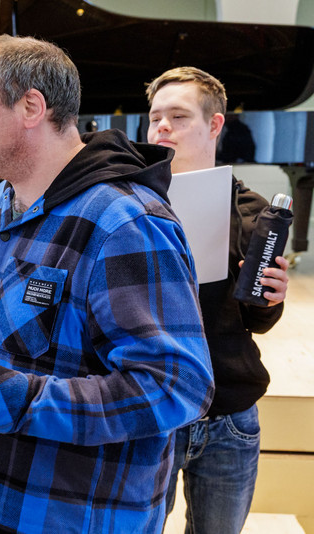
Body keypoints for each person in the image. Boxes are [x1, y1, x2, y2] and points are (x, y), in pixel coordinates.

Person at [0, 35, 215, 532]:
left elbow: (176, 387)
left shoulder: (124, 223)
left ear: (31, 106)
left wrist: (17, 400)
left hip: (71, 517)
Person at [146, 66, 289, 533]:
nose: (161, 127)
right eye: (155, 117)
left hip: (228, 415)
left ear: (214, 124)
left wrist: (272, 297)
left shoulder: (252, 213)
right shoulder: (126, 203)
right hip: (152, 411)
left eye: (178, 116)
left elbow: (258, 319)